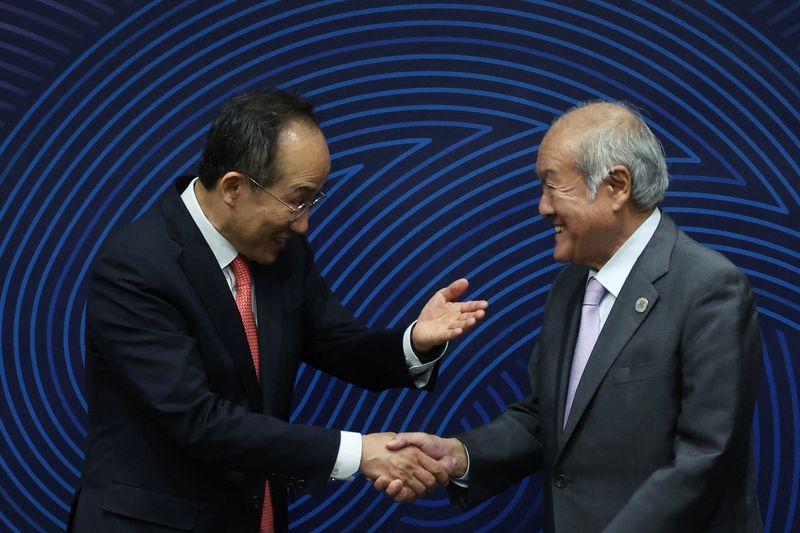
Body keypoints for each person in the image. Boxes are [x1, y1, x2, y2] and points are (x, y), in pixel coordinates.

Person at [68, 90, 488, 532]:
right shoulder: (138, 267)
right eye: (297, 200)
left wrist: (414, 342)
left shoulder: (283, 255)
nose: (304, 224)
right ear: (233, 187)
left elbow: (339, 344)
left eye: (313, 201)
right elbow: (199, 420)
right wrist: (358, 453)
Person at [381, 101, 763, 531]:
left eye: (553, 187)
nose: (543, 207)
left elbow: (708, 458)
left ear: (617, 186)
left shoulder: (709, 288)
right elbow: (549, 417)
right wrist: (460, 455)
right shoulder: (571, 286)